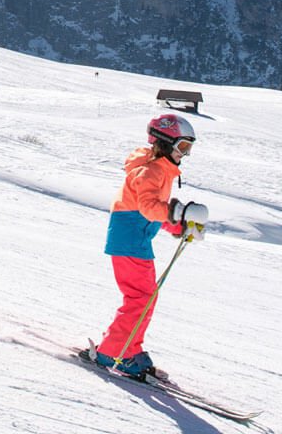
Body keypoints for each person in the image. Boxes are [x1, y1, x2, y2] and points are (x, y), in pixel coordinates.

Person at [93, 113, 209, 379]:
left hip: (135, 240)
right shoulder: (151, 171)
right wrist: (177, 213)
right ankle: (112, 351)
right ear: (166, 143)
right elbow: (148, 208)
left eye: (189, 148)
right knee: (140, 298)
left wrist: (178, 226)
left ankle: (129, 347)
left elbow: (153, 211)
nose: (186, 154)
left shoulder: (161, 171)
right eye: (182, 147)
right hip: (129, 241)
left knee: (145, 298)